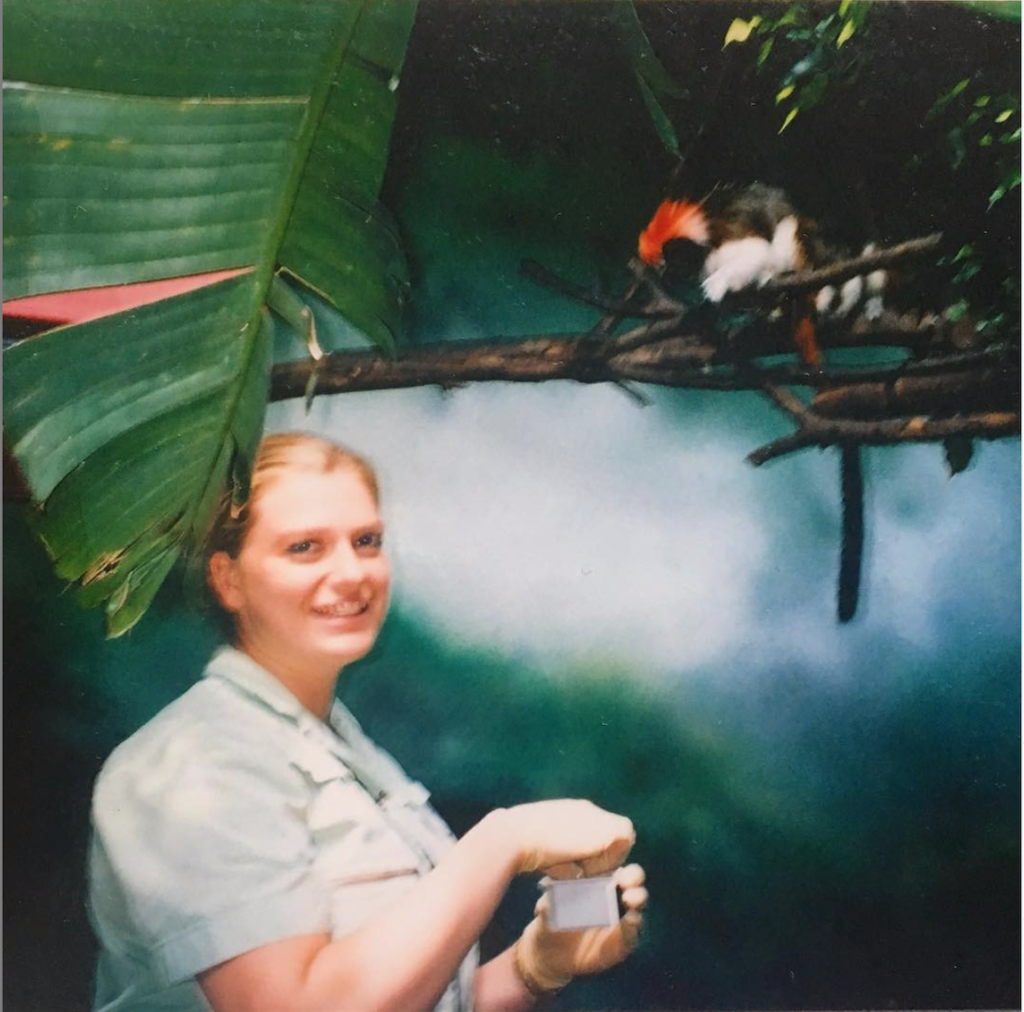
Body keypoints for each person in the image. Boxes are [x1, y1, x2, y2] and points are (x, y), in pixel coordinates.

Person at [88, 432, 648, 1012]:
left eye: (366, 541)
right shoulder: (193, 762)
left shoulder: (343, 749)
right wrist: (502, 841)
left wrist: (538, 966)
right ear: (228, 578)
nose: (352, 573)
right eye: (305, 547)